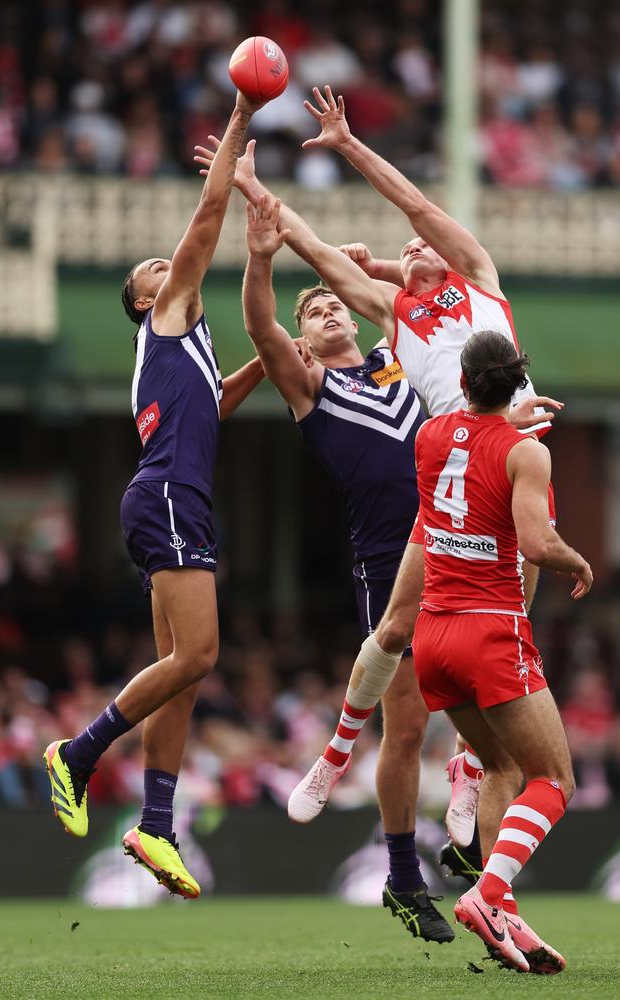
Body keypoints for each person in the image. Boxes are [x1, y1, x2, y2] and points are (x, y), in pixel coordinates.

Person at [194, 123, 558, 933]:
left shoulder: (458, 299)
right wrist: (264, 216)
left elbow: (417, 211)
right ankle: (348, 778)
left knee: (510, 637)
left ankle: (474, 810)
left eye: (420, 249)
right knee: (401, 675)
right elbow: (314, 268)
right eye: (315, 311)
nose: (415, 248)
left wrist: (353, 153)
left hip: (492, 482)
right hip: (420, 521)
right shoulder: (373, 338)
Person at [43, 88, 266, 900]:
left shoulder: (189, 349)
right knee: (198, 655)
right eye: (154, 269)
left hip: (170, 495)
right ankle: (76, 754)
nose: (168, 267)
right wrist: (240, 121)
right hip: (170, 495)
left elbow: (215, 404)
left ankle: (158, 825)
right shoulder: (167, 316)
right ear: (145, 298)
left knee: (184, 668)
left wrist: (274, 359)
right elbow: (205, 222)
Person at [242, 194, 452, 943]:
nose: (329, 309)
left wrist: (381, 266)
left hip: (455, 544)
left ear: (359, 320)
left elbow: (445, 283)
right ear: (302, 342)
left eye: (336, 304)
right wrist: (264, 255)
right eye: (314, 312)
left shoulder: (401, 352)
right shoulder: (310, 387)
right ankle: (402, 877)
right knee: (405, 729)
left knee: (480, 702)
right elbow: (259, 328)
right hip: (385, 562)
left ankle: (467, 821)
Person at [413, 330, 592, 972]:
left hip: (432, 633)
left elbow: (468, 436)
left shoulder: (430, 436)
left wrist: (499, 420)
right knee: (555, 778)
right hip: (490, 629)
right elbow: (536, 543)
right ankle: (487, 894)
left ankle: (504, 910)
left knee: (501, 770)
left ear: (463, 383)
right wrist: (579, 562)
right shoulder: (526, 453)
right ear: (517, 383)